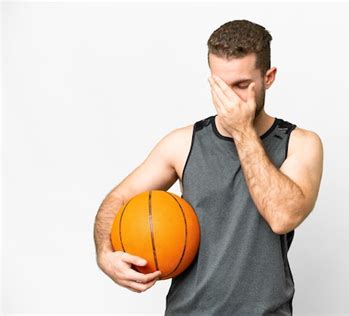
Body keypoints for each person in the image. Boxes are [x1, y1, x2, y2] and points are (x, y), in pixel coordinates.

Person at [94, 19, 323, 315]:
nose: (228, 99)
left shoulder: (300, 143)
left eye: (242, 86)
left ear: (269, 77)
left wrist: (241, 131)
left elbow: (282, 216)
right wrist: (105, 253)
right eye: (220, 85)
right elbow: (118, 200)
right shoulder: (182, 143)